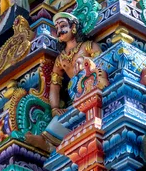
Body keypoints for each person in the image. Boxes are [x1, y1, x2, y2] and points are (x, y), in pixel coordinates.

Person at [24, 12, 101, 152]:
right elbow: (55, 85)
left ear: (73, 28)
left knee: (73, 116)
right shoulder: (60, 59)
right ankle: (47, 142)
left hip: (92, 89)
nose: (60, 30)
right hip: (76, 97)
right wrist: (54, 108)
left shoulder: (88, 46)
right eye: (57, 28)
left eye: (63, 26)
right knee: (62, 118)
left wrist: (86, 63)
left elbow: (102, 64)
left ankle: (50, 142)